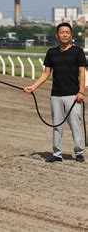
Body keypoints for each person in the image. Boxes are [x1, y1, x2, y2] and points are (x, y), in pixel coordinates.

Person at [24, 22, 85, 163]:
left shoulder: (78, 52)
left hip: (74, 95)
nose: (64, 34)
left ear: (71, 35)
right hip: (56, 95)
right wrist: (33, 87)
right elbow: (46, 74)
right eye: (62, 32)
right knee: (57, 125)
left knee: (76, 124)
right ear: (57, 35)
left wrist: (81, 91)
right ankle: (57, 153)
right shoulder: (51, 52)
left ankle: (79, 152)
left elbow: (82, 73)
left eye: (67, 32)